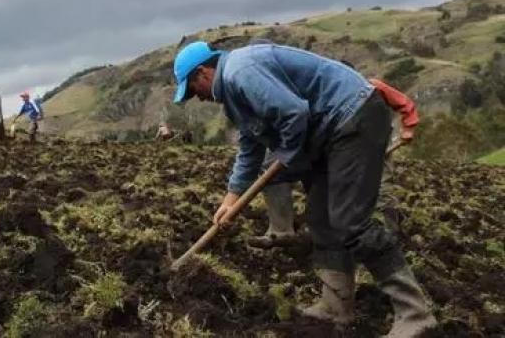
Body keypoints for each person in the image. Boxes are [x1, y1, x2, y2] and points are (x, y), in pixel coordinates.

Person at [172, 41, 436, 337]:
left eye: (194, 91)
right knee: (321, 218)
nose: (199, 99)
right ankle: (336, 306)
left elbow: (294, 113)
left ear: (202, 73)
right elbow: (250, 145)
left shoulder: (241, 73)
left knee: (350, 222)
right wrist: (231, 199)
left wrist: (286, 156)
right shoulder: (234, 91)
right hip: (328, 133)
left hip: (353, 117)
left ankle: (416, 314)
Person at [248, 73, 420, 249]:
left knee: (380, 183)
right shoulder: (317, 91)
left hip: (373, 134)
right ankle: (287, 230)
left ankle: (389, 233)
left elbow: (404, 102)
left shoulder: (369, 86)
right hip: (339, 138)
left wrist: (409, 127)